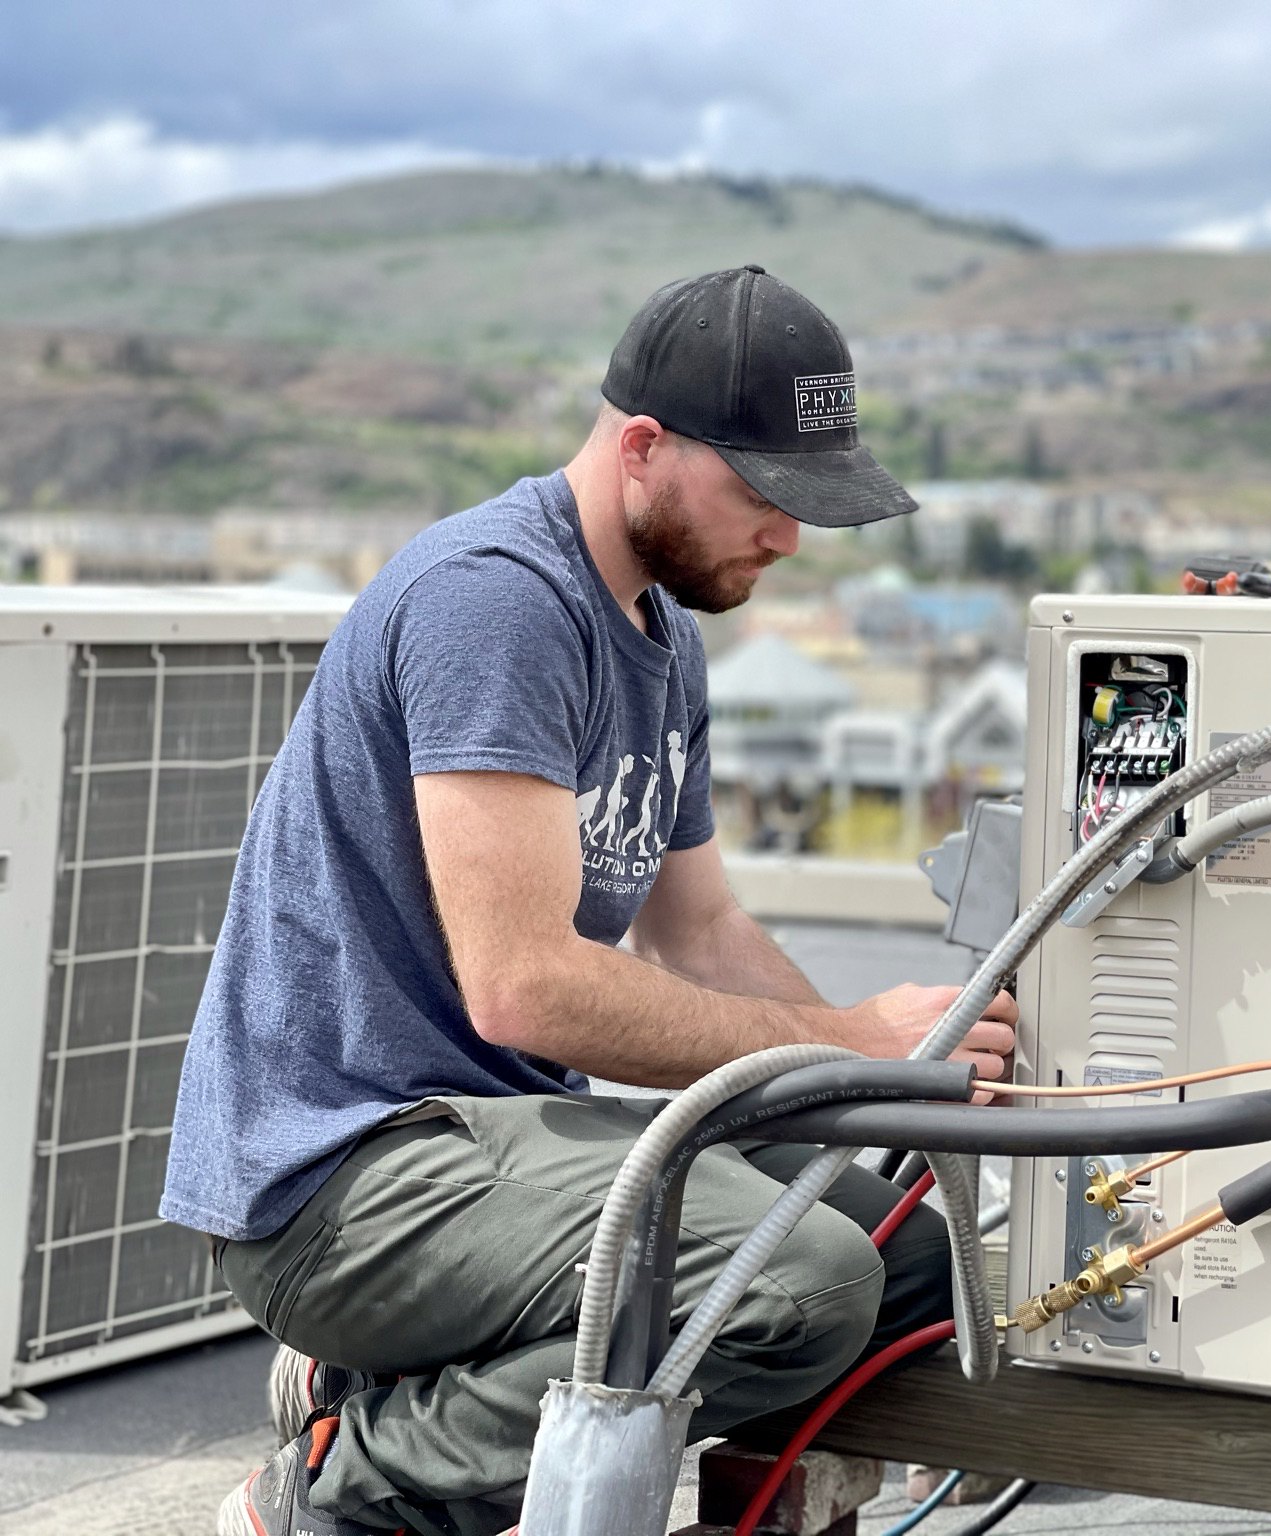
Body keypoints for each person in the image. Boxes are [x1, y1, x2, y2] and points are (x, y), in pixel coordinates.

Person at [161, 266, 1017, 1536]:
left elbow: (702, 933)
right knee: (799, 1280)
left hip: (491, 1154)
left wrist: (898, 1067)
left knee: (908, 1252)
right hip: (342, 1178)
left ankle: (389, 1375)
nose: (788, 538)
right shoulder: (499, 600)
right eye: (764, 497)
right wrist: (849, 1043)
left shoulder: (661, 639)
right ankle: (344, 1492)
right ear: (642, 448)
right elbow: (526, 986)